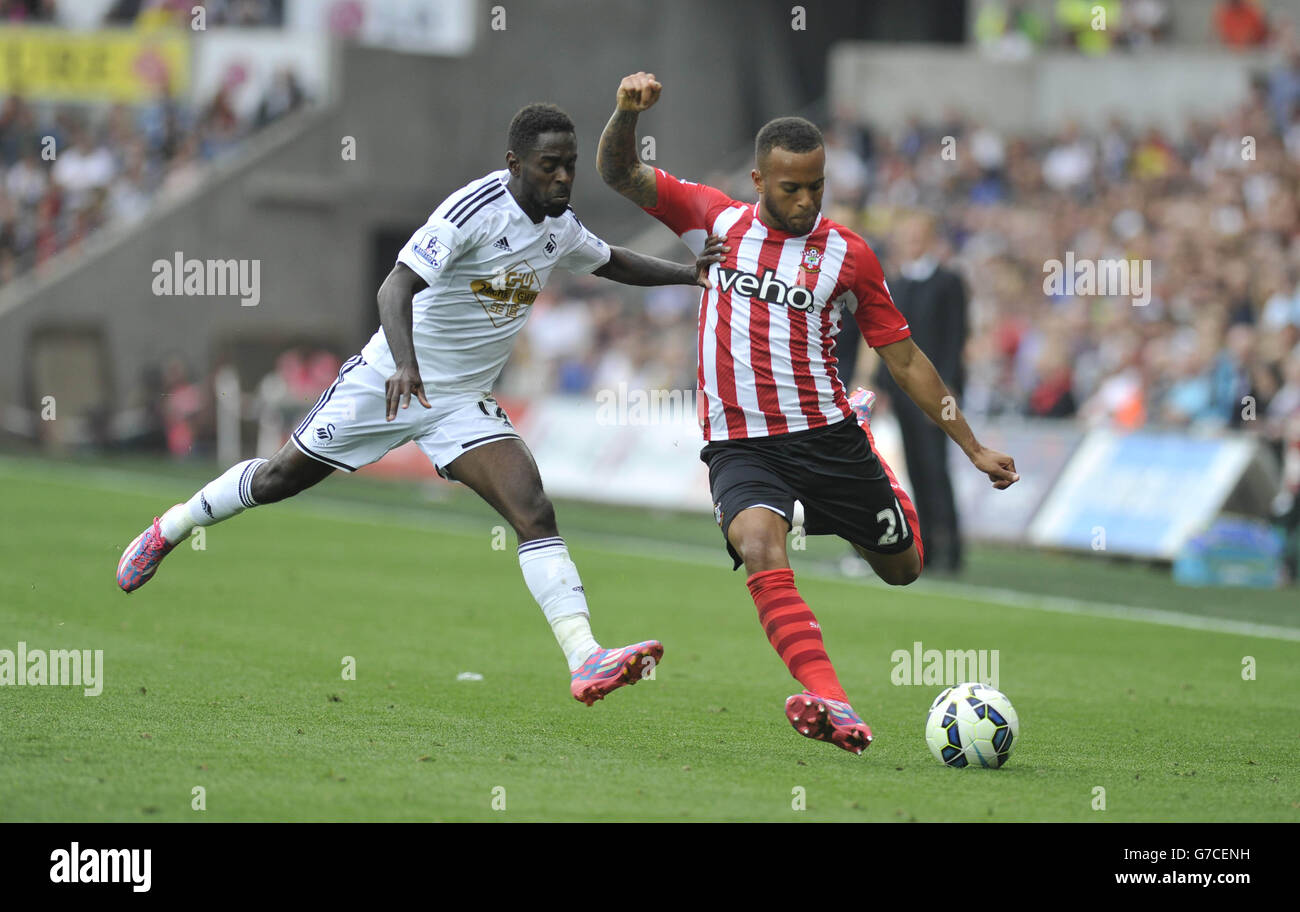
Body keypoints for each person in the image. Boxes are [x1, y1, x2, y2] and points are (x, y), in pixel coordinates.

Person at [117, 103, 727, 707]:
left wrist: (687, 274)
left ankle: (584, 656)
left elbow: (611, 260)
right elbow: (396, 285)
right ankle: (171, 527)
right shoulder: (472, 212)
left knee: (533, 508)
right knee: (280, 478)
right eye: (550, 166)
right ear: (515, 163)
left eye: (570, 165)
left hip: (461, 402)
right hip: (388, 380)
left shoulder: (558, 225)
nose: (564, 177)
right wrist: (406, 363)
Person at [597, 73, 1018, 754]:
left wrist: (971, 446)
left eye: (816, 185)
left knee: (904, 567)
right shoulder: (715, 218)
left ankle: (877, 496)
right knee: (758, 543)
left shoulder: (848, 255)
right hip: (741, 444)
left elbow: (905, 358)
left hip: (827, 436)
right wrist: (625, 113)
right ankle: (833, 701)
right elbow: (619, 171)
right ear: (759, 179)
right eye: (791, 187)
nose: (805, 199)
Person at [873, 212, 969, 573]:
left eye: (916, 234)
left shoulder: (948, 282)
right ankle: (926, 543)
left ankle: (951, 547)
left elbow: (954, 340)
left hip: (936, 391)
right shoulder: (898, 283)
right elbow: (890, 341)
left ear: (929, 237)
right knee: (915, 467)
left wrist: (946, 392)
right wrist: (883, 386)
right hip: (903, 392)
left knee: (935, 467)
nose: (909, 241)